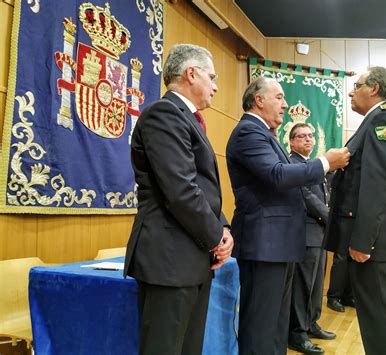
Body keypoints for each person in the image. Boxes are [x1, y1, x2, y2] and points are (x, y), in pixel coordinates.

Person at [226, 77, 350, 354]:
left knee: (277, 326)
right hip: (264, 245)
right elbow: (278, 175)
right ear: (259, 100)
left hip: (277, 244)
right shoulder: (249, 132)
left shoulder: (266, 134)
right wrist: (326, 162)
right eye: (280, 97)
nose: (285, 104)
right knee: (260, 326)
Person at [123, 44, 234, 354]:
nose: (215, 85)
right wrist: (216, 237)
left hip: (190, 256)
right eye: (211, 77)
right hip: (169, 259)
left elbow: (203, 186)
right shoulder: (164, 113)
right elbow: (181, 191)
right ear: (191, 73)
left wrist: (223, 229)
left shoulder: (185, 117)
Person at [324, 66, 386, 355]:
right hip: (379, 241)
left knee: (383, 328)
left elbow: (378, 186)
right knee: (379, 325)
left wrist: (364, 241)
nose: (351, 92)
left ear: (374, 88)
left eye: (358, 85)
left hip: (375, 245)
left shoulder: (384, 119)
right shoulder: (381, 119)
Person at [287, 123, 336, 354]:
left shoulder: (312, 165)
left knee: (316, 286)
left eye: (311, 136)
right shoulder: (292, 164)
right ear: (292, 141)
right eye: (302, 137)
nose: (308, 140)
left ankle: (311, 323)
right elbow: (306, 197)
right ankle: (297, 333)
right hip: (305, 234)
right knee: (303, 287)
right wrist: (331, 218)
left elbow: (325, 196)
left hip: (320, 235)